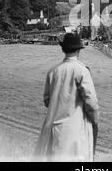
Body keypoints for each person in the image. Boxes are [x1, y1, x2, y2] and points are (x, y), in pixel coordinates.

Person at [34, 33, 99, 161]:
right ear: (79, 50)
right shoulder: (82, 71)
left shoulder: (53, 71)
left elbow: (47, 101)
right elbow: (91, 102)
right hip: (75, 132)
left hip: (53, 129)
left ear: (63, 49)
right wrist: (95, 120)